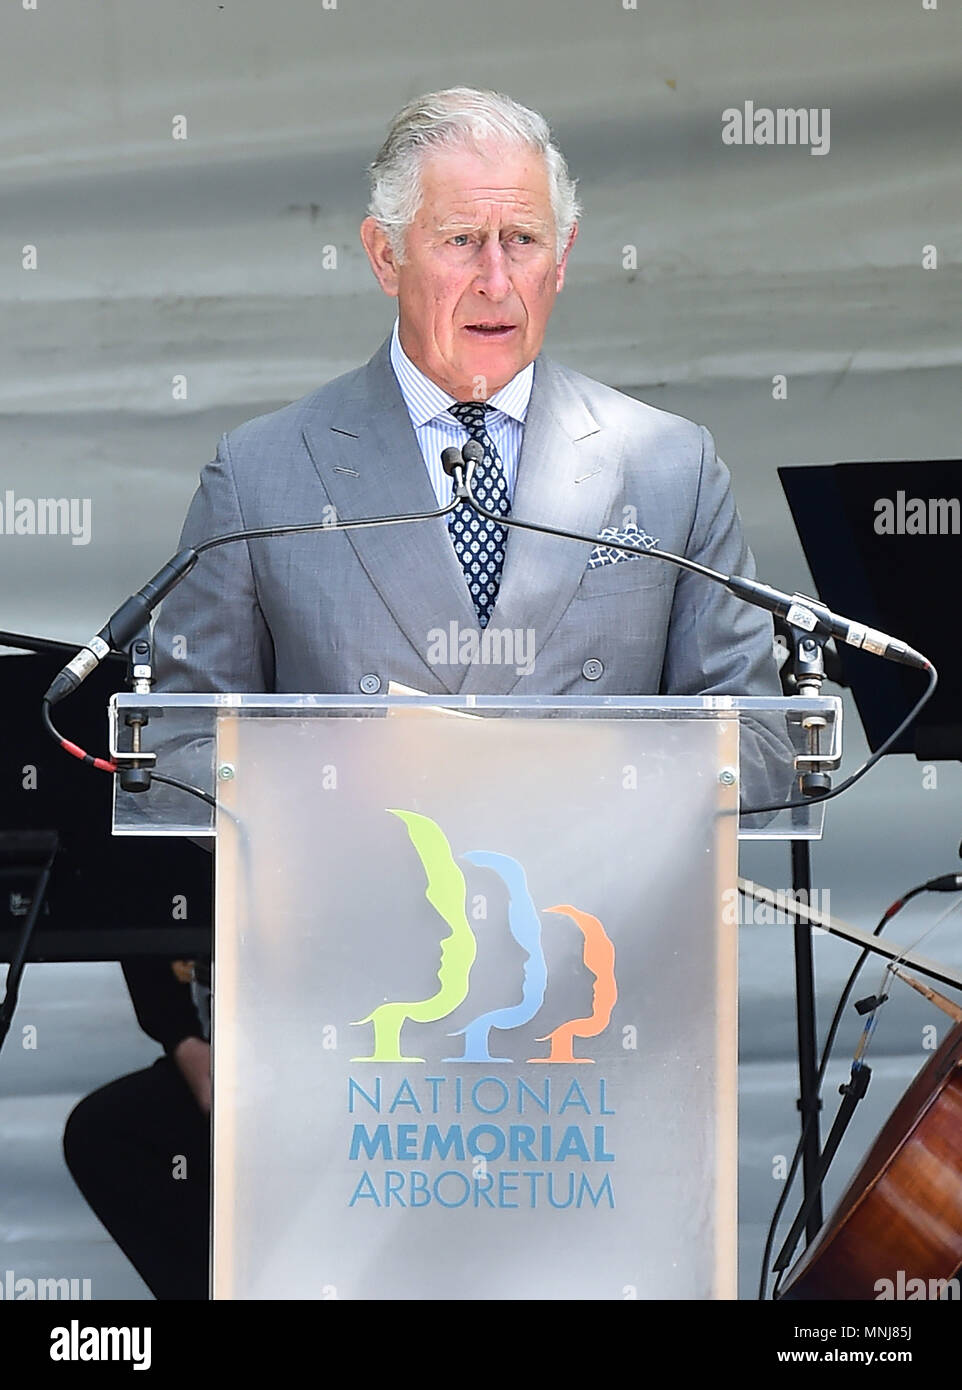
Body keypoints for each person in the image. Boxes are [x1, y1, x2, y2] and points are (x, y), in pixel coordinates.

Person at [64, 86, 786, 1300]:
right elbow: (174, 750)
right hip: (350, 1055)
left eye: (523, 242)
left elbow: (764, 747)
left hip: (597, 1053)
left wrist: (567, 785)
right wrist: (352, 781)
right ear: (383, 252)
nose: (495, 278)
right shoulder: (264, 471)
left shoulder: (666, 470)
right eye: (460, 241)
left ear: (562, 258)